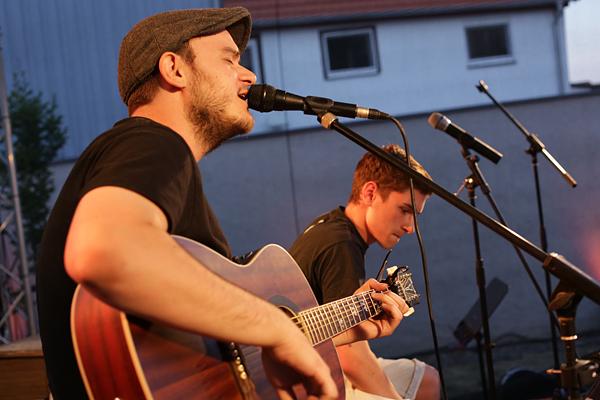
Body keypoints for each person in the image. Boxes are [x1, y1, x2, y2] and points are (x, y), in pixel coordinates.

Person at [35, 8, 409, 400]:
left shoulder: (157, 166)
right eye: (229, 60)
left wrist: (347, 323)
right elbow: (103, 249)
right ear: (175, 69)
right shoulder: (153, 143)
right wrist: (274, 326)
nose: (249, 76)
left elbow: (227, 348)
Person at [290, 144, 441, 400]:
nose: (410, 228)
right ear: (370, 193)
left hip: (319, 358)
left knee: (427, 380)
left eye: (415, 216)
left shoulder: (333, 225)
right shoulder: (341, 245)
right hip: (306, 377)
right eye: (405, 210)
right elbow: (349, 356)